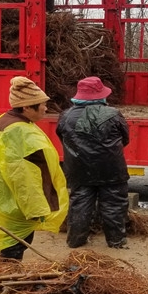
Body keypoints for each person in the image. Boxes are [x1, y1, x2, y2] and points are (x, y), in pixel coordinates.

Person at [0, 76, 68, 261]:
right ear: (26, 107)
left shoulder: (4, 121)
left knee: (13, 242)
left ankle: (7, 277)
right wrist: (36, 209)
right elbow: (22, 176)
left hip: (2, 193)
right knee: (15, 244)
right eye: (41, 104)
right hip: (14, 200)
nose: (46, 108)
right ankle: (6, 280)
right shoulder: (19, 131)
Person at [56, 76, 130, 249]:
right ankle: (116, 241)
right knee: (114, 204)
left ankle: (76, 241)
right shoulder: (113, 114)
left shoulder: (65, 116)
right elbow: (125, 138)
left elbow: (63, 138)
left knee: (79, 203)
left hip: (79, 169)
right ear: (101, 95)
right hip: (111, 168)